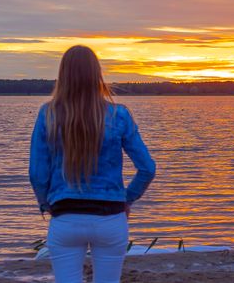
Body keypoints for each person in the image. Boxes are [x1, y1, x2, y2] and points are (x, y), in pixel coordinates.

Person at [29, 45, 156, 283]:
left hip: (65, 217)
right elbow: (147, 168)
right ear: (97, 74)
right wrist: (127, 199)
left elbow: (38, 173)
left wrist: (45, 203)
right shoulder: (119, 115)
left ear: (63, 74)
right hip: (110, 218)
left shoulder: (48, 114)